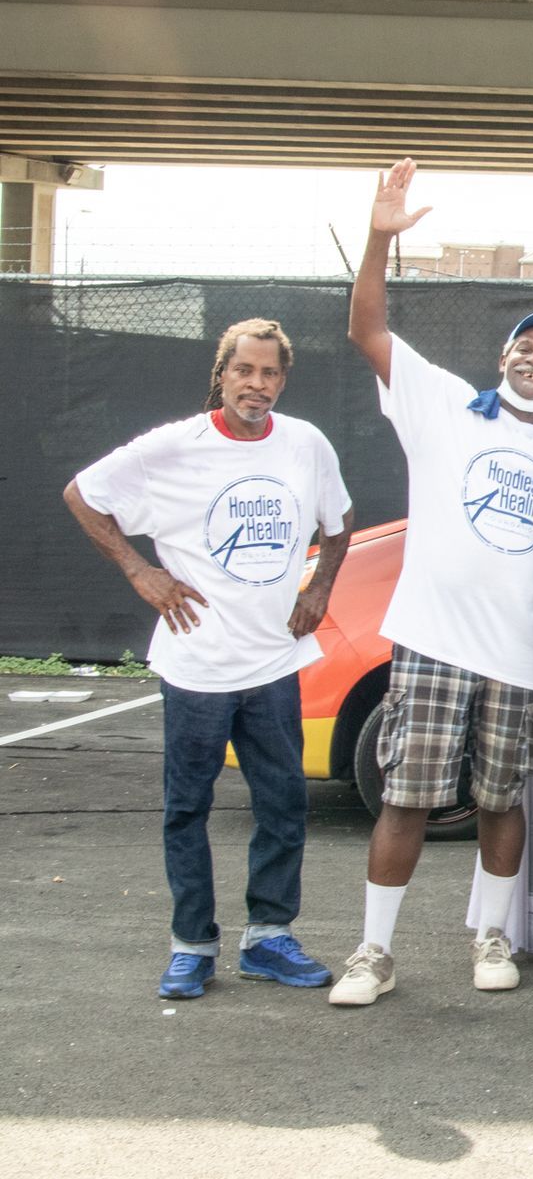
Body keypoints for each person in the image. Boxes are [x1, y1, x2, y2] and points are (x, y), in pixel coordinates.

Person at [329, 158, 533, 1007]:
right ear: (503, 354)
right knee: (405, 799)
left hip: (515, 657)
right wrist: (379, 236)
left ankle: (489, 934)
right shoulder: (442, 403)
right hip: (435, 643)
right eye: (527, 345)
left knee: (499, 802)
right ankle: (373, 951)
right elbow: (367, 328)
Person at [64, 319, 353, 999]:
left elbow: (339, 527)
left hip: (273, 664)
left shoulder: (305, 444)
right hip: (197, 667)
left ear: (283, 380)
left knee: (284, 808)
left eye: (271, 374)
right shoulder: (174, 448)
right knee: (186, 810)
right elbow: (82, 496)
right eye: (245, 371)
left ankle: (268, 940)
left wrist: (320, 588)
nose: (258, 385)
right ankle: (192, 945)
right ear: (221, 374)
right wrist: (141, 573)